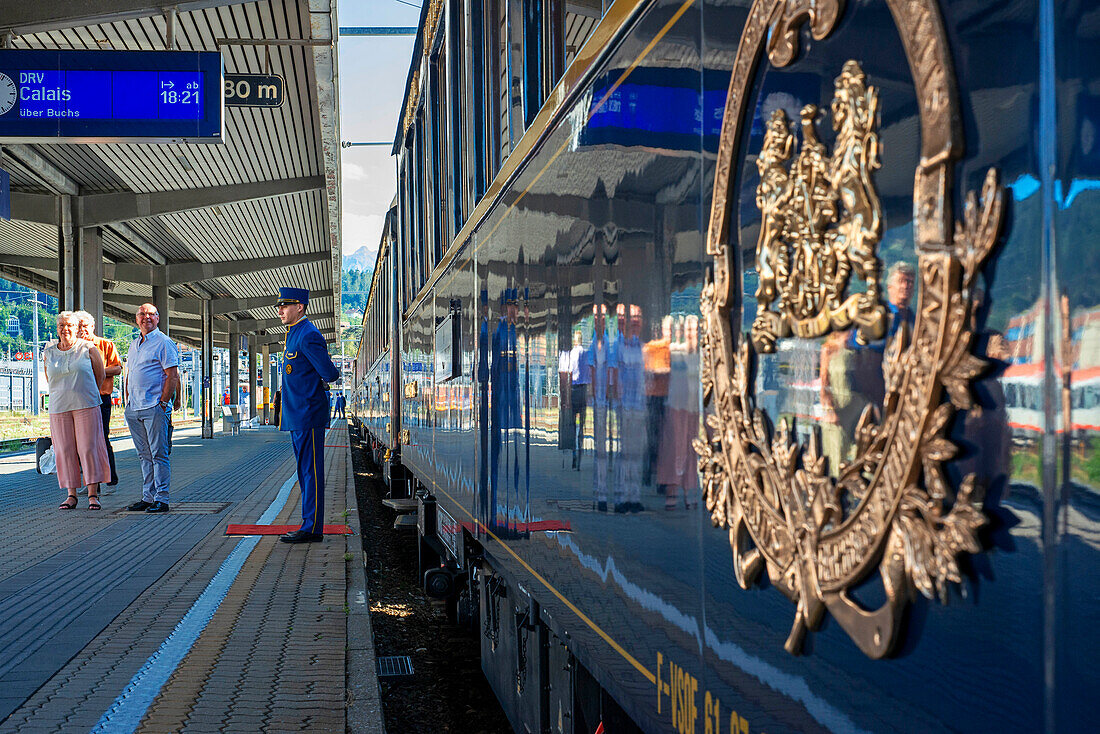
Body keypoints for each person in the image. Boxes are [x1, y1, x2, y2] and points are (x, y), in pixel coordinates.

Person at [276, 287, 341, 543]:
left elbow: (330, 373)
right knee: (304, 471)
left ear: (300, 307)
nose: (280, 310)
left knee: (310, 471)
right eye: (279, 306)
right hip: (296, 414)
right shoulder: (293, 334)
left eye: (285, 306)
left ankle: (312, 528)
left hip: (307, 413)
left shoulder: (308, 335)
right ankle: (308, 522)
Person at [45, 312, 111, 510]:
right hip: (59, 407)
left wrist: (85, 391)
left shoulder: (88, 348)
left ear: (76, 327)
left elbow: (99, 375)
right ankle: (71, 494)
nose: (65, 329)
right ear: (57, 329)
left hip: (86, 404)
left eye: (69, 326)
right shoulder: (49, 352)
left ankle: (92, 494)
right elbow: (50, 379)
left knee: (88, 448)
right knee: (64, 450)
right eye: (61, 326)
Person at [124, 303, 180, 514]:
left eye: (150, 314)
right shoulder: (134, 344)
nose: (146, 317)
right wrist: (128, 402)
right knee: (144, 455)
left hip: (154, 407)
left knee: (159, 454)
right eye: (141, 314)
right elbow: (131, 373)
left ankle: (162, 499)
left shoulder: (164, 342)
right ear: (136, 319)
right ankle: (148, 497)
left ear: (157, 318)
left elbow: (172, 375)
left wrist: (163, 403)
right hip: (135, 408)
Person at [75, 311, 121, 489]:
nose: (82, 330)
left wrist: (96, 370)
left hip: (101, 398)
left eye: (85, 326)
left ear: (92, 327)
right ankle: (91, 479)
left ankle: (110, 476)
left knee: (101, 437)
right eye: (78, 326)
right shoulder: (73, 348)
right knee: (83, 441)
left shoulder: (105, 344)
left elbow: (117, 368)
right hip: (79, 399)